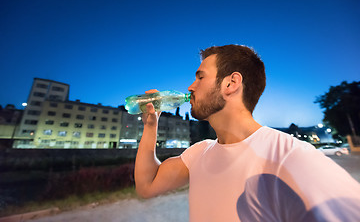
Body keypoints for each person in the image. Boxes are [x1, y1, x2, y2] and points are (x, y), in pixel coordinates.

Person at [134, 44, 360, 221]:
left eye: (200, 77)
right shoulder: (198, 153)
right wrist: (151, 125)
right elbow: (147, 186)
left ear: (231, 83)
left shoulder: (289, 155)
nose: (191, 87)